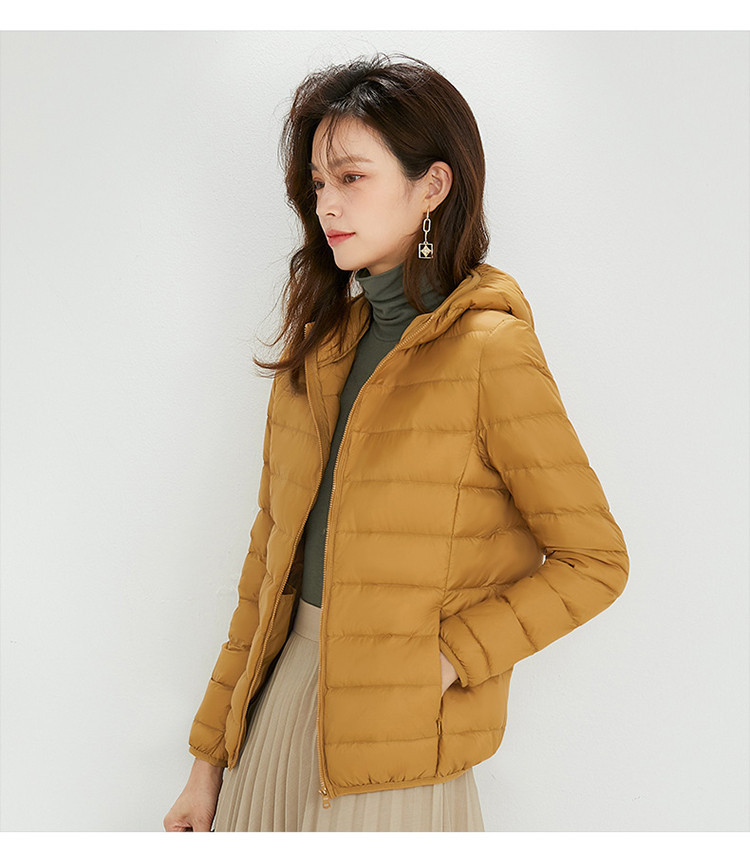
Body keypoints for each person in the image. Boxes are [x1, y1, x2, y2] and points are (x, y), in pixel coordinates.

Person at [163, 52, 629, 833]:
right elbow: (264, 573)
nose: (327, 203)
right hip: (277, 711)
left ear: (432, 185)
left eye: (352, 177)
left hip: (395, 746)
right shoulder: (318, 354)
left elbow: (596, 561)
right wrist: (206, 762)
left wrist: (449, 657)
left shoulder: (490, 351)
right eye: (318, 183)